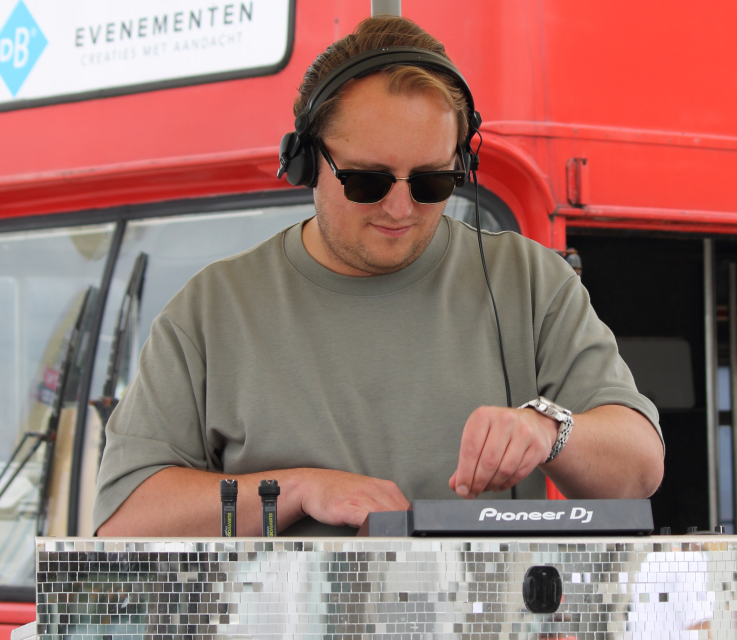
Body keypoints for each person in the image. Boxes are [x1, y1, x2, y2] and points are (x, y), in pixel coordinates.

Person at [93, 16, 664, 537]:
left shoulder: (530, 281)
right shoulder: (212, 310)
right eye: (367, 181)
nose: (399, 209)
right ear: (306, 161)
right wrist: (298, 490)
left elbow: (639, 470)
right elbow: (122, 524)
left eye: (431, 183)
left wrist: (550, 429)